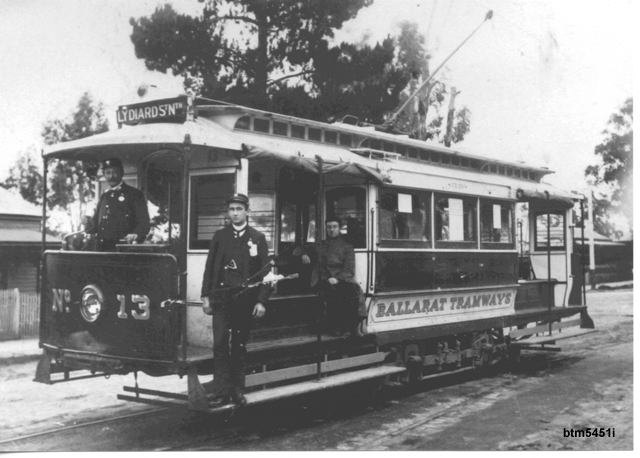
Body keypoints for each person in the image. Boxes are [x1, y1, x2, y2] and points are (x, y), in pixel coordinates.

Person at [200, 193, 271, 408]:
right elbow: (210, 268)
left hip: (245, 301)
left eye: (239, 209)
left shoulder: (257, 238)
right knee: (220, 344)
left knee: (239, 346)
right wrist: (206, 296)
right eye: (231, 209)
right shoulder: (220, 236)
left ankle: (238, 390)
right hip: (222, 300)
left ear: (247, 211)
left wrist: (261, 301)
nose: (235, 213)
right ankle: (221, 392)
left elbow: (266, 273)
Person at [299, 216, 366, 337]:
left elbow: (349, 268)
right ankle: (335, 326)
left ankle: (353, 326)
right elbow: (304, 247)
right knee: (332, 292)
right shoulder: (321, 245)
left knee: (353, 291)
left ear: (339, 228)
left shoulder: (347, 246)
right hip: (323, 277)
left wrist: (338, 278)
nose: (331, 229)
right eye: (329, 227)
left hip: (341, 277)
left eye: (334, 227)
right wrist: (304, 254)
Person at [85, 158, 150, 252]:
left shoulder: (135, 194)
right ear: (104, 175)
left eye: (115, 172)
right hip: (102, 250)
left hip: (123, 251)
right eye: (107, 173)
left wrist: (135, 234)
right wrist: (87, 222)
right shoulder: (104, 196)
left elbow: (144, 223)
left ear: (122, 173)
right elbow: (95, 227)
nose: (111, 176)